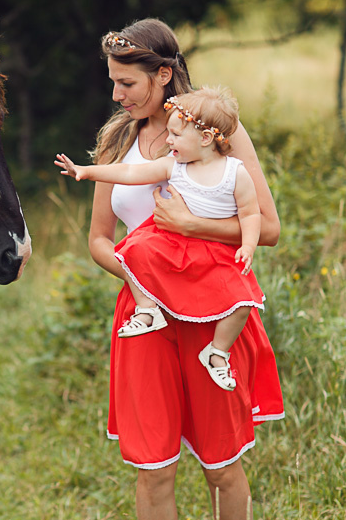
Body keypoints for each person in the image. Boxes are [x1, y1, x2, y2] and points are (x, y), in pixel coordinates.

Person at [81, 19, 284, 520]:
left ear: (164, 74)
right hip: (144, 318)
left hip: (210, 315)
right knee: (153, 468)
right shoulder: (115, 143)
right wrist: (136, 276)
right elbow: (97, 238)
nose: (116, 95)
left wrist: (193, 231)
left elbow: (266, 228)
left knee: (222, 465)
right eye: (112, 83)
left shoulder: (216, 131)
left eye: (127, 83)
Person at [56, 86, 269, 392]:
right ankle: (148, 310)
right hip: (172, 246)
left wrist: (247, 246)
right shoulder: (173, 165)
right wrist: (87, 171)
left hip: (214, 255)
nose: (168, 141)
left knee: (243, 301)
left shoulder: (235, 173)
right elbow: (130, 171)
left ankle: (217, 352)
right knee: (135, 250)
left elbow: (251, 215)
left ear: (205, 139)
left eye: (176, 135)